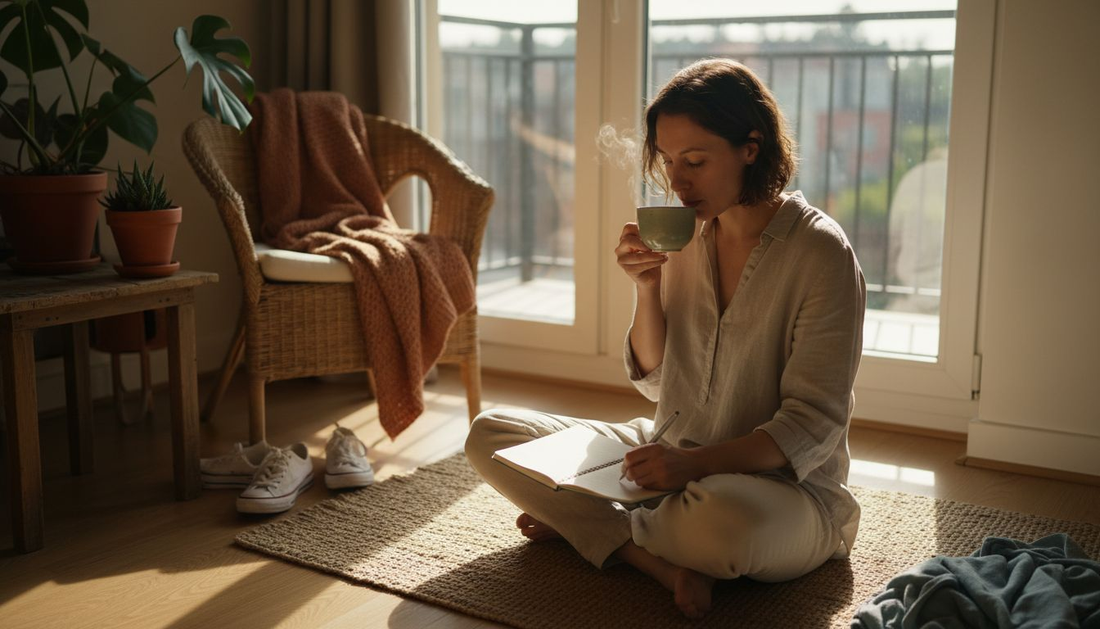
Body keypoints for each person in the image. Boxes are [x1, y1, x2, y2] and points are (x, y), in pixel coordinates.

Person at [465, 58, 866, 619]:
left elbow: (813, 426)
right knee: (493, 433)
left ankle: (592, 525)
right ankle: (646, 554)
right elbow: (656, 384)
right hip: (671, 453)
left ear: (751, 147)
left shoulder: (821, 253)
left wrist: (692, 470)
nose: (677, 181)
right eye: (669, 161)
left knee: (724, 526)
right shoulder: (687, 235)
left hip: (779, 492)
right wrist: (646, 287)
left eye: (696, 161)